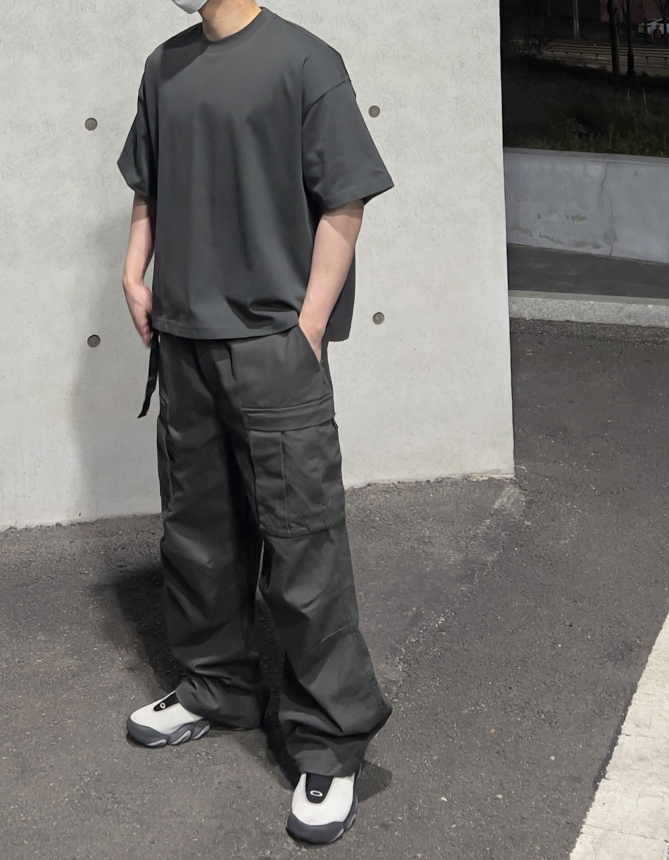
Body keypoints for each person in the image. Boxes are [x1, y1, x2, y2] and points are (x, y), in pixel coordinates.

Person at [117, 0, 394, 844]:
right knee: (198, 533)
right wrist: (133, 272)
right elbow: (148, 183)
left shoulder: (306, 62)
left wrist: (307, 325)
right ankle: (217, 689)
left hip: (272, 345)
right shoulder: (164, 65)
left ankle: (330, 743)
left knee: (303, 543)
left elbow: (344, 200)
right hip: (184, 341)